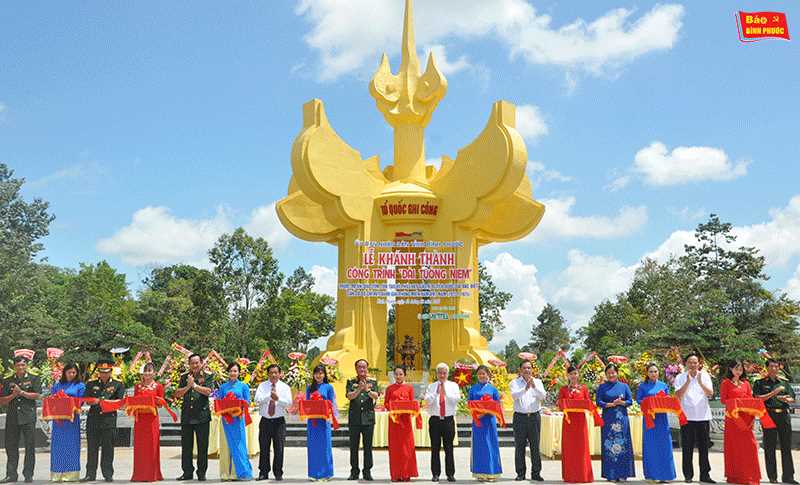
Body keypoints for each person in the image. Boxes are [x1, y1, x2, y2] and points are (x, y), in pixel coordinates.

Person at [754, 358, 797, 485]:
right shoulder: (760, 383)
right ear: (767, 368)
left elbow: (793, 398)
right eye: (771, 366)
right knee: (770, 446)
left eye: (776, 366)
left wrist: (787, 399)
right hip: (769, 415)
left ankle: (788, 477)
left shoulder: (784, 382)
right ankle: (772, 477)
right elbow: (758, 398)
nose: (774, 368)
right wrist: (774, 393)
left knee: (786, 446)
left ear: (779, 368)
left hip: (783, 415)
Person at [0, 355, 42, 484]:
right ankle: (11, 474)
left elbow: (37, 395)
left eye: (23, 365)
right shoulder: (7, 380)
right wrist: (13, 395)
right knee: (11, 446)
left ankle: (28, 474)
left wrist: (22, 392)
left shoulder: (34, 378)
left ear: (26, 365)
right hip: (13, 417)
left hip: (28, 417)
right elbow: (2, 401)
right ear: (14, 366)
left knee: (30, 446)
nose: (20, 367)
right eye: (18, 365)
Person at [82, 359, 126, 483]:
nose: (104, 374)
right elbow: (86, 399)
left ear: (111, 372)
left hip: (108, 420)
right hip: (94, 419)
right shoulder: (91, 384)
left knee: (108, 449)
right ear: (98, 372)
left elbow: (120, 402)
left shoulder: (118, 384)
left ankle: (108, 474)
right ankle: (90, 474)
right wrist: (93, 401)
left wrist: (104, 402)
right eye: (102, 372)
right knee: (92, 448)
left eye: (106, 372)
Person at [674, 353, 715, 483]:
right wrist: (687, 381)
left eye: (695, 362)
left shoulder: (705, 375)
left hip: (703, 416)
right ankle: (688, 475)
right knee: (687, 447)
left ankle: (705, 475)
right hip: (687, 416)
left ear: (699, 364)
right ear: (686, 364)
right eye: (690, 362)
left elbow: (710, 393)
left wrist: (700, 382)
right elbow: (678, 395)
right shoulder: (680, 377)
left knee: (704, 447)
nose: (693, 365)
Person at [173, 353, 215, 481]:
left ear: (201, 363)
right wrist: (188, 386)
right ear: (189, 364)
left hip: (202, 416)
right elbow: (177, 394)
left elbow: (208, 391)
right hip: (187, 416)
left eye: (197, 363)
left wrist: (195, 386)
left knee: (202, 446)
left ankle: (201, 472)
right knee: (186, 447)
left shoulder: (208, 376)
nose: (195, 365)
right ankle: (187, 472)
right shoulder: (184, 377)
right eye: (192, 363)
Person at [719, 360, 761, 485]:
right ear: (731, 369)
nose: (738, 371)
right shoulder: (726, 383)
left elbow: (750, 399)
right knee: (734, 447)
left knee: (750, 446)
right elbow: (723, 400)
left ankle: (749, 475)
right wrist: (736, 402)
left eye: (741, 369)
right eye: (736, 369)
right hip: (733, 418)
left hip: (746, 418)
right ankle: (735, 475)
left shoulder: (746, 384)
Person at [636, 363, 676, 483]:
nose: (653, 373)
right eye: (651, 371)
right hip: (649, 419)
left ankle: (666, 475)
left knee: (664, 446)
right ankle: (652, 475)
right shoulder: (642, 386)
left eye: (655, 371)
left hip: (662, 419)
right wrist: (649, 402)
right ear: (647, 373)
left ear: (659, 373)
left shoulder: (663, 385)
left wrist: (666, 400)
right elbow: (638, 400)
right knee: (651, 446)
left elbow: (667, 399)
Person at [596, 363, 635, 482]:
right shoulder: (602, 387)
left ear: (617, 373)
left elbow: (630, 401)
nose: (611, 375)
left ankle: (623, 474)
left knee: (623, 445)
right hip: (608, 419)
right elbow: (598, 402)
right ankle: (611, 474)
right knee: (609, 445)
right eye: (608, 373)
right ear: (605, 374)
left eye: (613, 372)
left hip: (621, 419)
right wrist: (610, 404)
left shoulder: (624, 386)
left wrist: (621, 403)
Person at [509, 360, 546, 482]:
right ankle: (520, 473)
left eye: (529, 368)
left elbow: (543, 396)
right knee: (520, 446)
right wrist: (525, 388)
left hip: (534, 417)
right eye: (524, 368)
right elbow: (514, 396)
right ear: (520, 370)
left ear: (532, 369)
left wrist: (534, 387)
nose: (527, 370)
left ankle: (536, 473)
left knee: (535, 446)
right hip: (520, 418)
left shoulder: (538, 382)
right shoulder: (514, 382)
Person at [254, 364, 292, 481]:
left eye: (276, 372)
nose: (273, 375)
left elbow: (289, 403)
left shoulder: (285, 387)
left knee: (279, 448)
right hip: (265, 420)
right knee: (264, 447)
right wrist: (269, 396)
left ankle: (278, 472)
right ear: (268, 374)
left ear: (280, 374)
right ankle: (263, 472)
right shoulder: (262, 386)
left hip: (279, 421)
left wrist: (277, 399)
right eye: (271, 372)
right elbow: (257, 400)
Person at [217, 362, 254, 481]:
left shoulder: (244, 386)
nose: (233, 373)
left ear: (239, 373)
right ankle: (225, 474)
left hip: (238, 419)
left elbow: (248, 402)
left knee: (239, 445)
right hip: (226, 420)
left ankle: (241, 473)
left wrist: (239, 403)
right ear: (227, 372)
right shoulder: (223, 387)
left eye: (235, 371)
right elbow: (219, 402)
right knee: (226, 446)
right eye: (231, 371)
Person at [424, 363, 460, 482]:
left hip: (448, 420)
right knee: (435, 448)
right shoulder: (431, 386)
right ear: (437, 374)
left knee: (449, 448)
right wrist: (436, 392)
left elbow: (456, 400)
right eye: (440, 373)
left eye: (444, 373)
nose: (442, 375)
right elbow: (427, 401)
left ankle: (450, 474)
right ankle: (435, 474)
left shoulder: (453, 385)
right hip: (435, 420)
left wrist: (445, 392)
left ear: (447, 374)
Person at [49, 363, 86, 482]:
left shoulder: (80, 386)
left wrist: (68, 401)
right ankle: (57, 474)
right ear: (64, 372)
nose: (71, 374)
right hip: (59, 421)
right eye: (69, 372)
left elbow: (81, 402)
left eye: (74, 372)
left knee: (72, 446)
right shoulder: (57, 385)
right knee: (58, 447)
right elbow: (52, 400)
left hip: (72, 421)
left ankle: (71, 475)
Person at [345, 359, 380, 481]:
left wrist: (367, 389)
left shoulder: (373, 382)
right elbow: (349, 396)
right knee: (353, 447)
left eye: (364, 367)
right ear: (356, 369)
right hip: (354, 419)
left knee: (368, 447)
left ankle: (367, 471)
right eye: (359, 367)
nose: (362, 369)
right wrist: (359, 389)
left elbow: (376, 396)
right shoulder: (351, 381)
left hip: (368, 419)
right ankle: (354, 471)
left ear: (367, 369)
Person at [557, 365, 593, 483]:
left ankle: (583, 475)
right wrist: (564, 403)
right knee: (569, 448)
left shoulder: (584, 388)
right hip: (568, 422)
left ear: (578, 375)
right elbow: (559, 404)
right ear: (567, 376)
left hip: (581, 422)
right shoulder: (563, 389)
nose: (573, 376)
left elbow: (588, 403)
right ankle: (570, 476)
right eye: (571, 374)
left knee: (582, 448)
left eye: (575, 373)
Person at [383, 366, 419, 482]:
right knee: (395, 448)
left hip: (406, 421)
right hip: (394, 421)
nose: (398, 376)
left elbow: (411, 403)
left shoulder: (409, 388)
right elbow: (386, 403)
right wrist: (394, 408)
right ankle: (395, 475)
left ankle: (406, 474)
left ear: (404, 375)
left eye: (401, 374)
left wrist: (405, 407)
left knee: (406, 448)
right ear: (393, 375)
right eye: (396, 374)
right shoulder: (389, 388)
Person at [468, 365, 502, 482]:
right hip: (478, 421)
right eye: (479, 374)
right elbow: (469, 404)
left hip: (490, 421)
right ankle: (480, 473)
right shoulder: (473, 389)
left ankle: (492, 473)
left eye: (484, 373)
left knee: (490, 445)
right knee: (479, 446)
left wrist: (487, 410)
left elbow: (497, 405)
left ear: (488, 375)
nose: (482, 376)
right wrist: (479, 413)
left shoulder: (493, 389)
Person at [131, 363, 164, 482]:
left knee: (152, 446)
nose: (147, 373)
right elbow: (134, 401)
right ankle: (139, 475)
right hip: (139, 420)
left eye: (150, 370)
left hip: (152, 420)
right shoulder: (137, 386)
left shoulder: (158, 386)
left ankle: (152, 474)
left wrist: (155, 401)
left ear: (154, 373)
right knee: (140, 447)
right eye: (145, 371)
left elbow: (161, 404)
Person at [306, 364, 338, 481]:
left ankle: (326, 473)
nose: (318, 375)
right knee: (313, 447)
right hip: (312, 422)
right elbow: (307, 403)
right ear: (313, 375)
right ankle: (313, 473)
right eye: (316, 373)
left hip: (324, 421)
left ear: (324, 375)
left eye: (321, 373)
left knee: (325, 447)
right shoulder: (309, 388)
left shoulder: (329, 387)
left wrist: (323, 404)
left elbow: (332, 403)